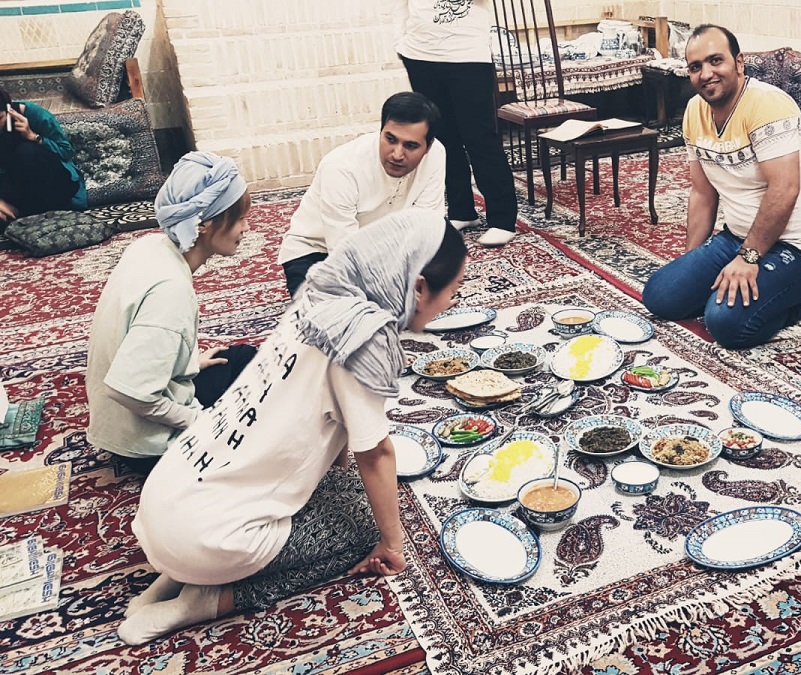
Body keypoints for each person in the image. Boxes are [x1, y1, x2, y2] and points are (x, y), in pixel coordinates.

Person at [118, 209, 467, 646]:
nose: (452, 301)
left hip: (166, 497)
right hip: (207, 537)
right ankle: (198, 602)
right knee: (364, 523)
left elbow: (336, 426)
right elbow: (376, 453)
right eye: (453, 290)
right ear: (419, 287)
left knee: (347, 490)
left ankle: (172, 578)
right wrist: (392, 546)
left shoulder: (323, 296)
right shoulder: (363, 339)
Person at [640, 25, 801, 350]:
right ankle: (753, 291)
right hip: (737, 237)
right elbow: (703, 193)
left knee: (724, 322)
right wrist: (693, 263)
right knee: (660, 296)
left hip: (800, 249)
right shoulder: (694, 112)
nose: (706, 74)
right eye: (695, 67)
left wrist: (748, 258)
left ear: (739, 63)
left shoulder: (768, 104)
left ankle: (791, 302)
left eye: (716, 61)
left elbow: (784, 189)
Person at [86, 152, 258, 474]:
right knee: (258, 382)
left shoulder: (150, 246)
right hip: (148, 449)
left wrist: (190, 363)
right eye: (239, 219)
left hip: (120, 431)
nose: (246, 228)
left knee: (239, 359)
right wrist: (200, 420)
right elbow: (127, 391)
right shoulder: (172, 290)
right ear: (205, 224)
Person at [277, 91, 447, 296]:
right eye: (390, 139)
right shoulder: (341, 167)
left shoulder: (436, 154)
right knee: (330, 315)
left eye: (410, 146)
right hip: (316, 252)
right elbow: (343, 248)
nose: (397, 154)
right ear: (381, 130)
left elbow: (426, 227)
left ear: (428, 146)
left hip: (384, 250)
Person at [396, 0, 520, 248]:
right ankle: (461, 210)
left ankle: (503, 218)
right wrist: (400, 42)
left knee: (479, 136)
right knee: (441, 138)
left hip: (467, 54)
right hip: (420, 54)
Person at [0, 87, 87, 223]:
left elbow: (66, 152)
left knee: (27, 151)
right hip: (12, 188)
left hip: (49, 181)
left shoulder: (31, 112)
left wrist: (33, 136)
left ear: (7, 109)